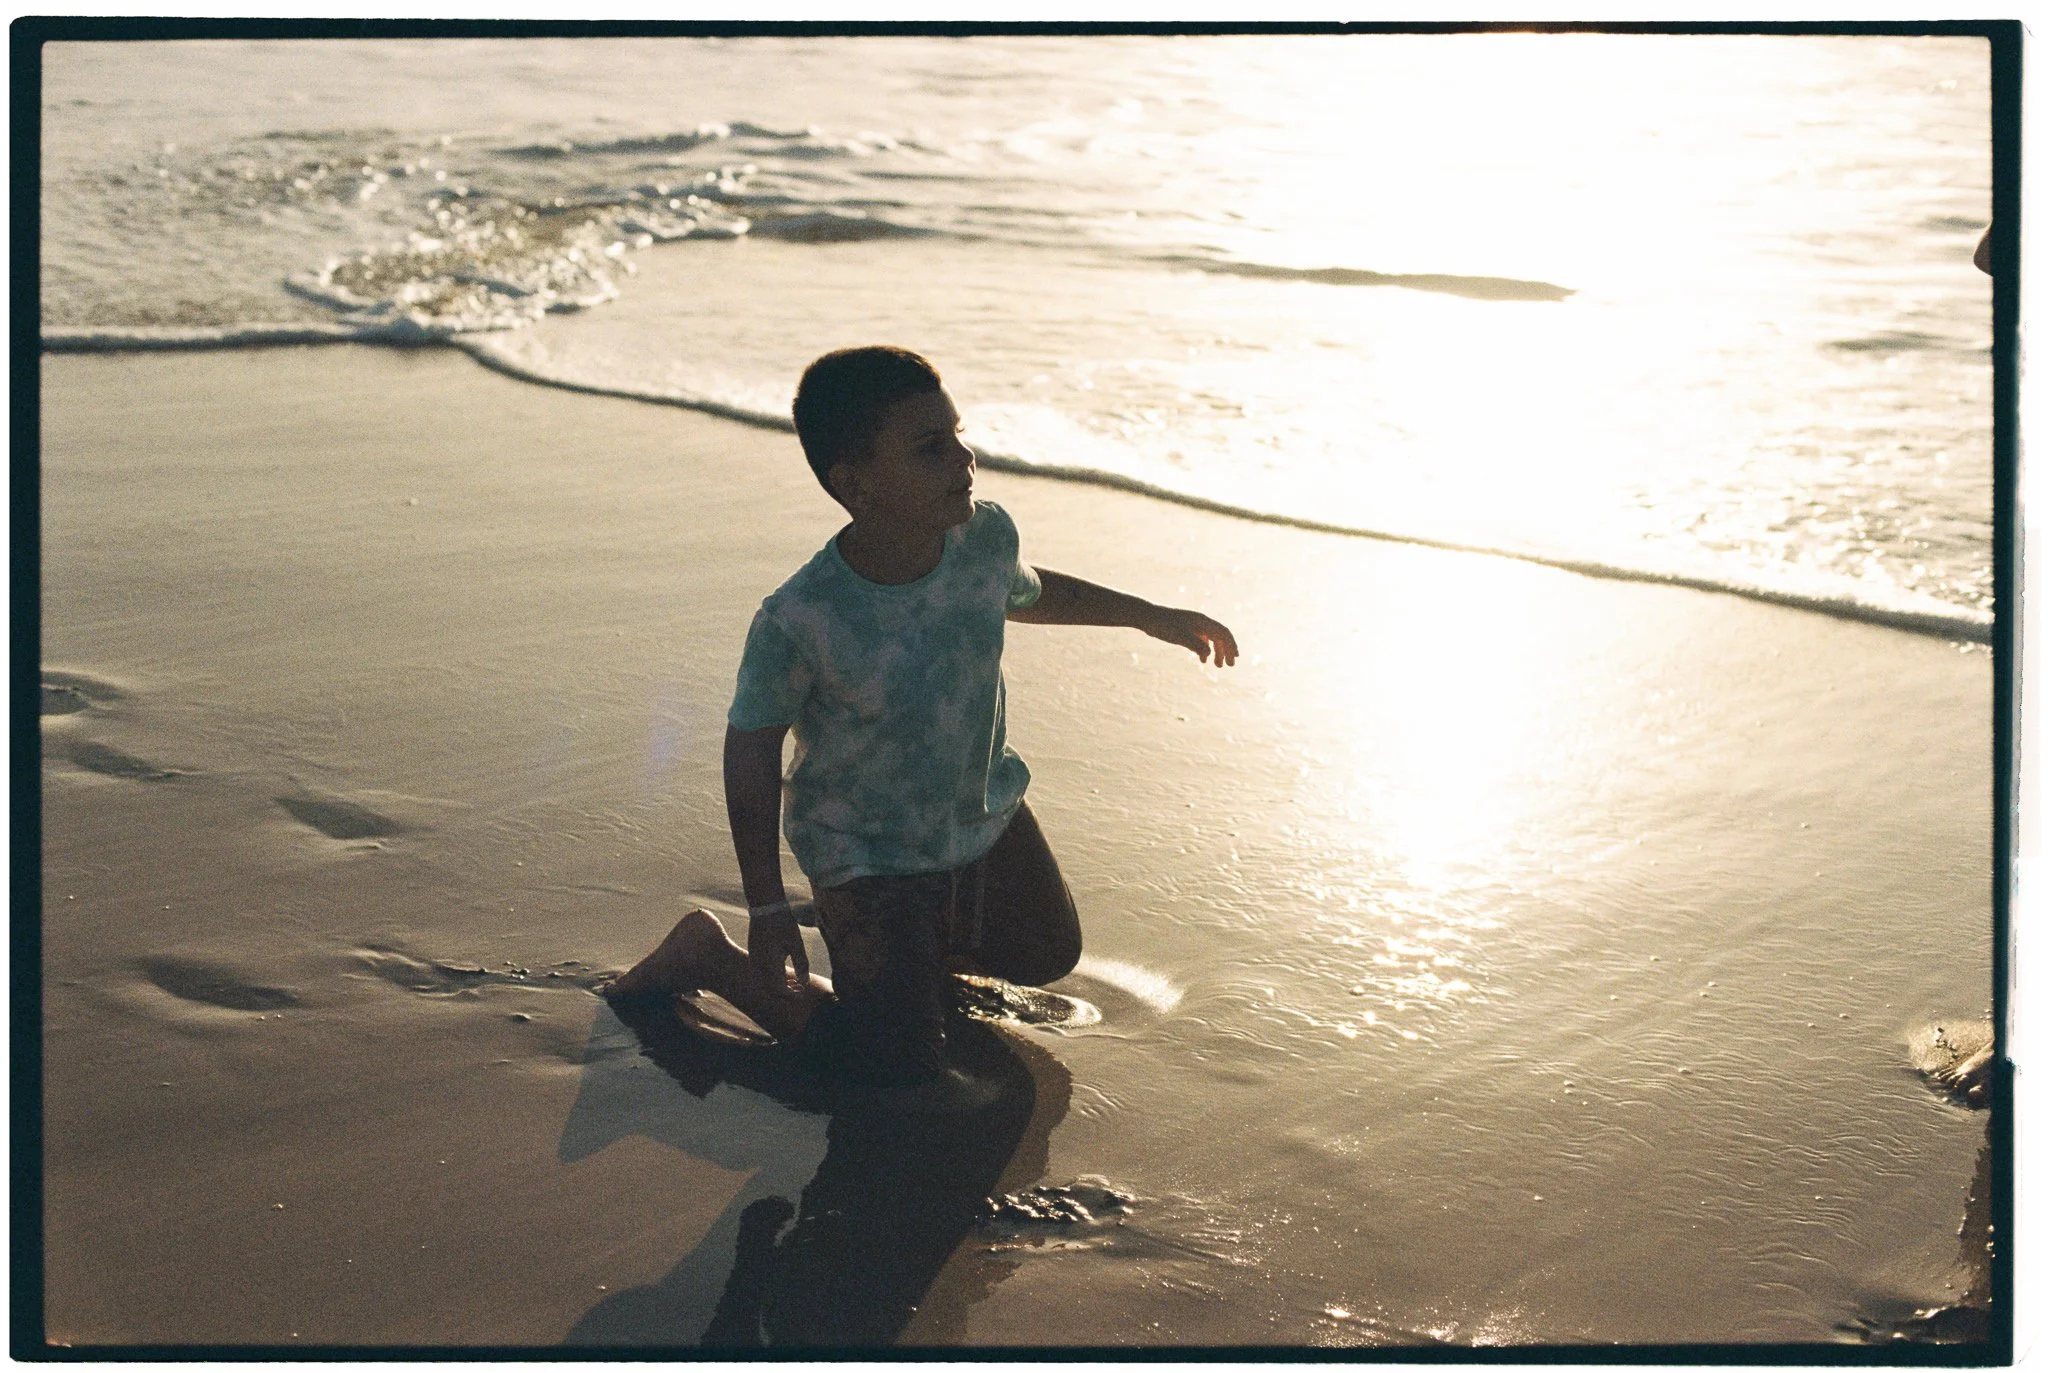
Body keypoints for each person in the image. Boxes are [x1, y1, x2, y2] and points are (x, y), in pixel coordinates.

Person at [606, 346, 1237, 1102]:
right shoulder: (802, 618)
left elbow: (1030, 592)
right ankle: (711, 957)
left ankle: (908, 959)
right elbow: (750, 752)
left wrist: (1149, 615)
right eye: (930, 448)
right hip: (866, 852)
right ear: (856, 483)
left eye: (958, 435)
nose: (964, 459)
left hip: (977, 815)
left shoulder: (982, 541)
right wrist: (767, 905)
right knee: (899, 1070)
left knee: (1048, 950)